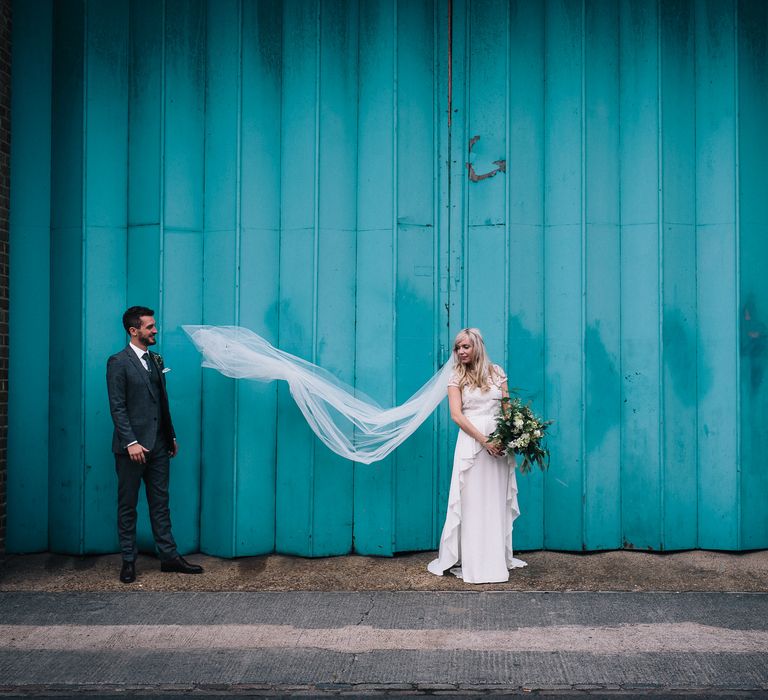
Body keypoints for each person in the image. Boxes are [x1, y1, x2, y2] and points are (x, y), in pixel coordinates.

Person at [106, 306, 203, 583]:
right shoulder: (118, 362)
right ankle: (128, 561)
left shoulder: (156, 360)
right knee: (128, 505)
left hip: (159, 445)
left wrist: (170, 436)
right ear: (133, 331)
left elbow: (161, 402)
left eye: (154, 325)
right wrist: (132, 442)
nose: (155, 330)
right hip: (132, 449)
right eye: (150, 326)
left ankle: (169, 557)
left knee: (160, 503)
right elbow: (118, 407)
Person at [428, 328, 527, 583]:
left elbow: (507, 410)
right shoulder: (456, 376)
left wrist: (505, 438)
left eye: (465, 347)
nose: (461, 352)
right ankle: (474, 562)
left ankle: (495, 560)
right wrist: (485, 441)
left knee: (494, 499)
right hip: (473, 445)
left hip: (499, 445)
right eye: (457, 348)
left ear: (477, 347)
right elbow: (456, 415)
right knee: (471, 502)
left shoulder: (497, 373)